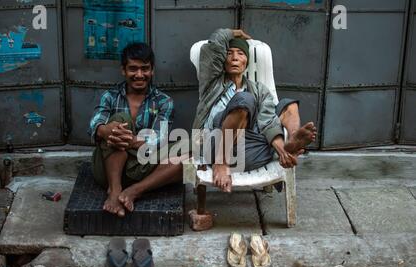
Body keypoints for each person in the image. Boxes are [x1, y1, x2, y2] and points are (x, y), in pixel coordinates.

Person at [192, 28, 317, 193]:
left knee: (288, 104)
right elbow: (215, 43)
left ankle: (289, 144)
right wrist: (235, 32)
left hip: (250, 150)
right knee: (244, 100)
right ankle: (221, 162)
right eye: (230, 53)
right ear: (223, 60)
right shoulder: (212, 83)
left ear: (247, 62)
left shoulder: (259, 90)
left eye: (241, 54)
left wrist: (281, 151)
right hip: (214, 144)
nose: (235, 58)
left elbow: (267, 121)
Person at [89, 43, 183, 217]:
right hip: (107, 170)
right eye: (133, 69)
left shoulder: (164, 102)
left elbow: (158, 142)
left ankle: (135, 191)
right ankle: (115, 189)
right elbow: (95, 123)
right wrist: (105, 131)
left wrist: (127, 140)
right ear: (123, 70)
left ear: (152, 70)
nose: (139, 75)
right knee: (119, 121)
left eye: (145, 69)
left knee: (190, 155)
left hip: (143, 168)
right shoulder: (110, 97)